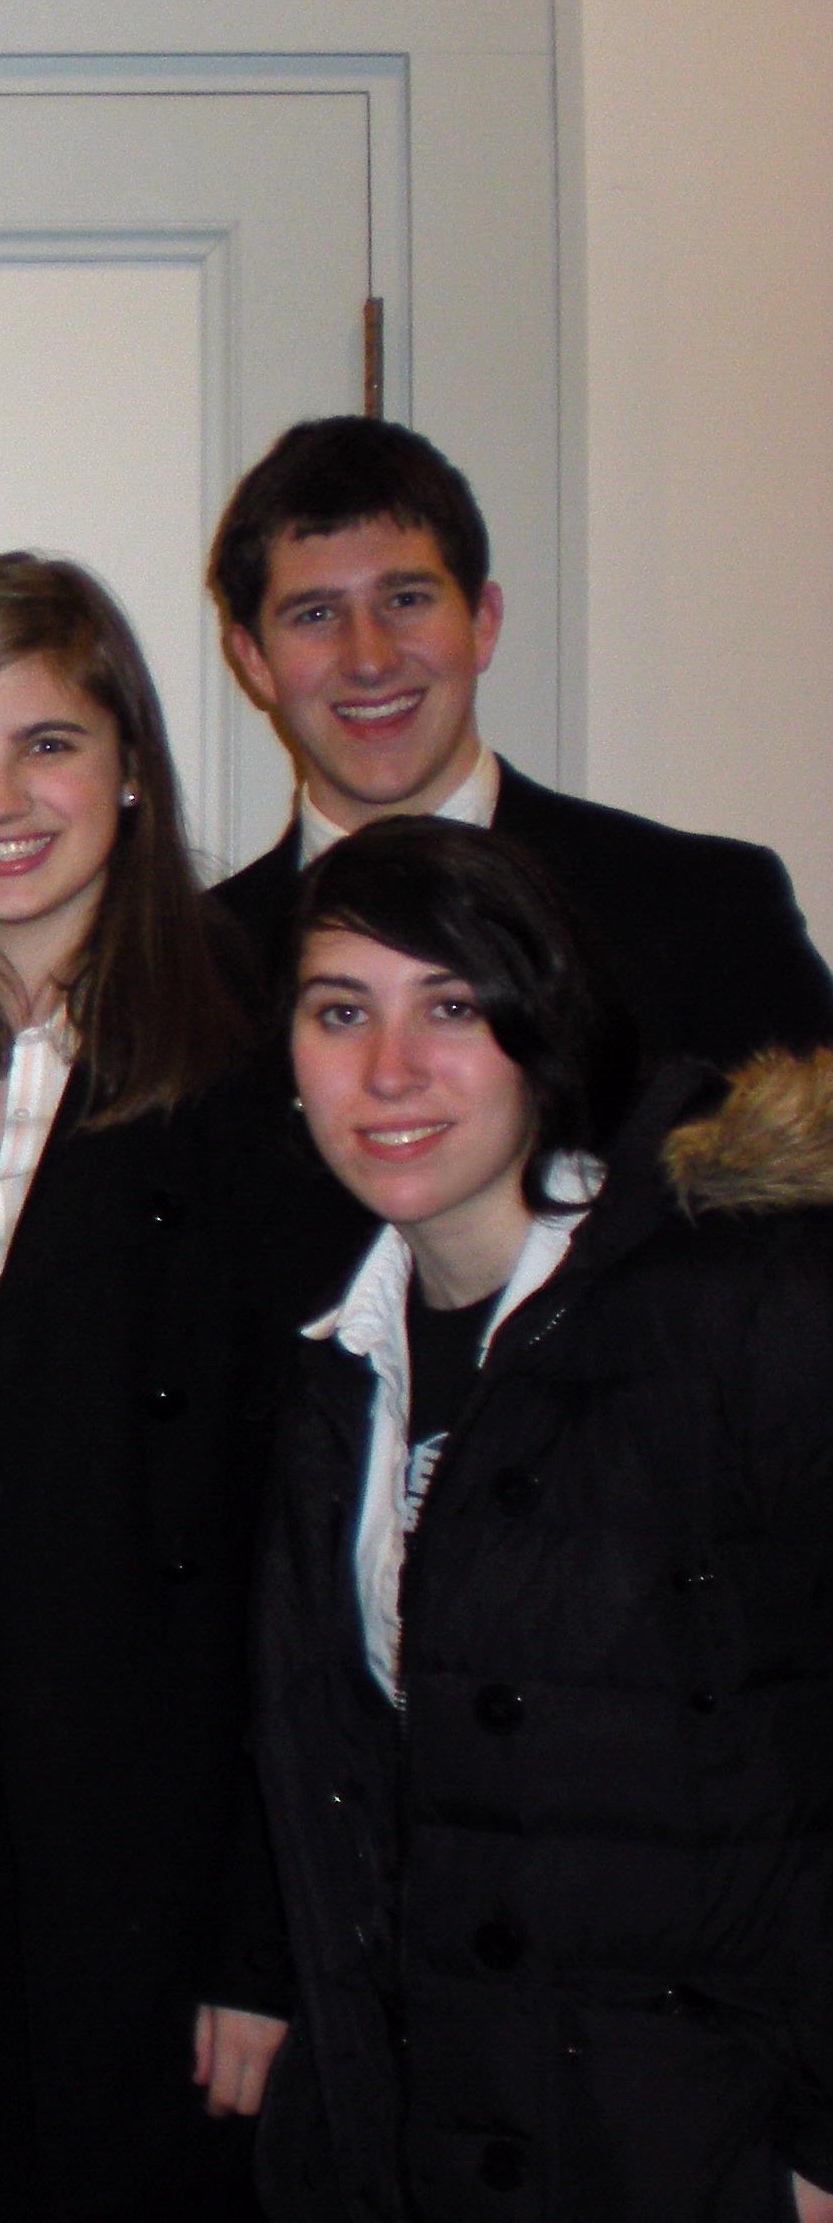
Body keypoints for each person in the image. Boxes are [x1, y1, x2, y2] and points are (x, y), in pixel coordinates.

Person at [254, 817, 833, 2222]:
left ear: (541, 1027)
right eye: (340, 1012)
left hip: (703, 2156)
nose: (388, 1070)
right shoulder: (334, 1372)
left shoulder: (743, 1303)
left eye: (448, 1005)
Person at [0, 552, 286, 2219]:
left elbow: (291, 1543)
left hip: (140, 1862)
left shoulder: (261, 1063)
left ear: (135, 764)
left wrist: (264, 1927)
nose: (0, 798)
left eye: (50, 744)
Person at [204, 414, 833, 1072]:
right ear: (253, 660)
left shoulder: (705, 918)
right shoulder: (184, 971)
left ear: (483, 622)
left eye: (407, 600)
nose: (369, 658)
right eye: (316, 615)